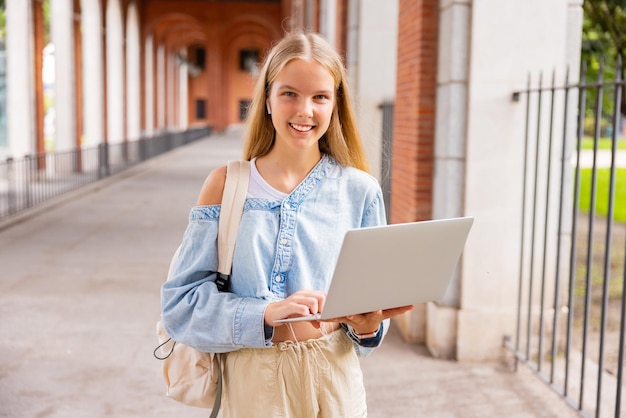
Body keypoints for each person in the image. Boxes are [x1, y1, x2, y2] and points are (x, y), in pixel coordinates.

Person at [161, 30, 413, 417]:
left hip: (335, 380)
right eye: (289, 94)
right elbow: (181, 306)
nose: (304, 111)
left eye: (320, 97)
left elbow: (368, 334)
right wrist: (264, 313)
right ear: (266, 99)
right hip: (251, 382)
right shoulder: (226, 185)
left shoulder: (360, 191)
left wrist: (366, 325)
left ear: (335, 104)